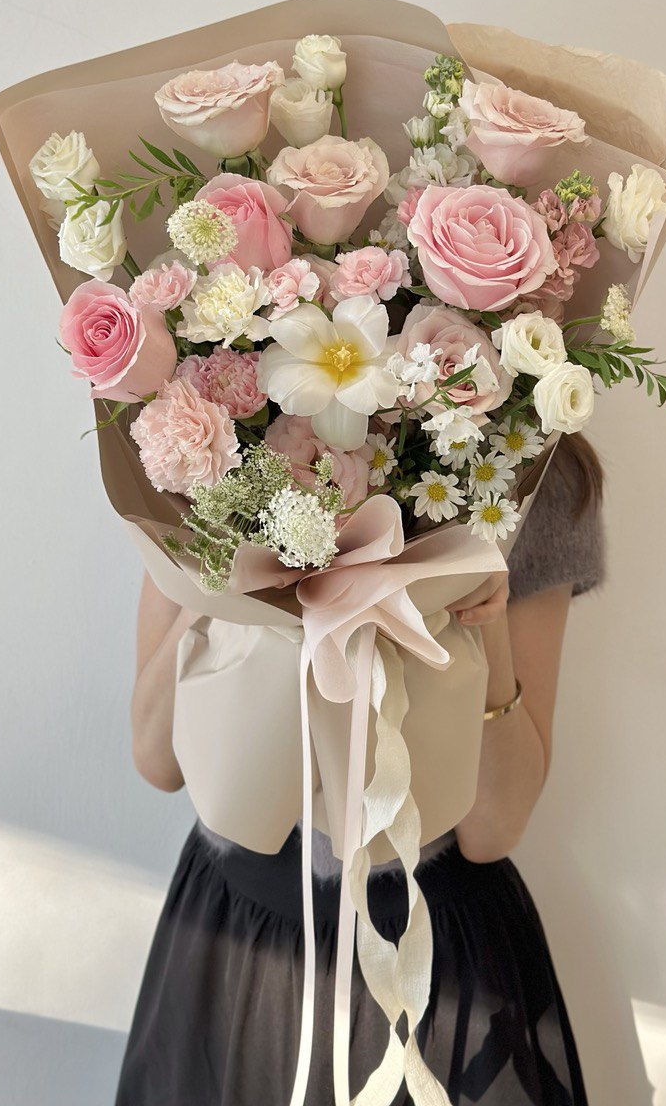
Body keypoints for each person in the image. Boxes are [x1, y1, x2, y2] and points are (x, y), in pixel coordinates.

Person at [116, 433, 605, 1106]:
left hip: (426, 955)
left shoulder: (529, 473)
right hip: (234, 939)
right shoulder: (209, 434)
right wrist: (223, 560)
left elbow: (495, 826)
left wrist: (480, 600)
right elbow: (157, 759)